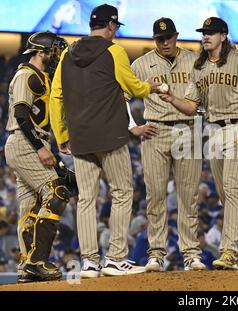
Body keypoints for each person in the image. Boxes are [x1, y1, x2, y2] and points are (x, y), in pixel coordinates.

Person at [49, 3, 162, 278]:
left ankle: (89, 263)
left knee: (86, 199)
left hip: (80, 138)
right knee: (122, 193)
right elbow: (133, 88)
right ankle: (115, 258)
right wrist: (152, 86)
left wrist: (62, 135)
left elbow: (56, 97)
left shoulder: (67, 53)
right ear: (111, 25)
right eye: (115, 27)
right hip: (110, 136)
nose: (115, 32)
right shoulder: (115, 51)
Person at [160, 17, 238, 270]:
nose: (205, 36)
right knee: (226, 194)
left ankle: (229, 250)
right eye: (204, 33)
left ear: (223, 35)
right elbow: (191, 106)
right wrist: (171, 98)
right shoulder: (199, 67)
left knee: (232, 190)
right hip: (214, 131)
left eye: (211, 33)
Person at [128, 17, 205, 272]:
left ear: (176, 36)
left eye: (169, 37)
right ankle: (156, 254)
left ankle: (191, 253)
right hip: (155, 130)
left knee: (188, 196)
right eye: (160, 39)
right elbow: (121, 97)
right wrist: (133, 127)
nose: (165, 42)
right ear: (154, 40)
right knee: (155, 196)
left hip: (187, 128)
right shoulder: (140, 64)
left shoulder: (195, 60)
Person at [5, 31, 69, 282]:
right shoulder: (26, 75)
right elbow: (21, 115)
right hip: (25, 141)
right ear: (41, 52)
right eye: (53, 49)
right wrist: (41, 148)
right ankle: (37, 261)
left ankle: (27, 265)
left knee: (30, 208)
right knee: (57, 192)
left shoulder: (40, 75)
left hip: (29, 142)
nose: (55, 54)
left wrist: (49, 147)